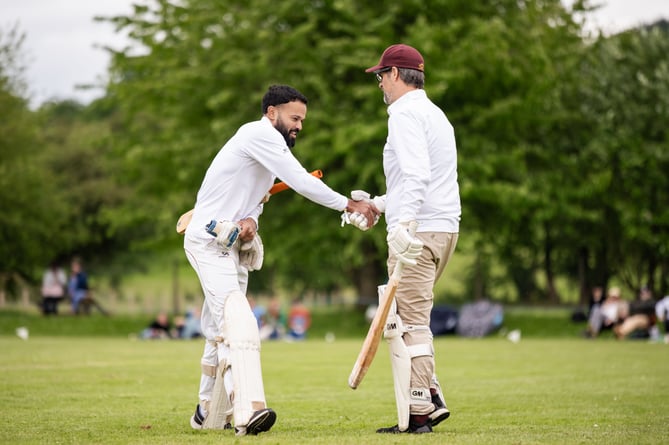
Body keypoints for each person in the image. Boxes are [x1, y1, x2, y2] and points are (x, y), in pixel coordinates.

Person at [183, 84, 379, 436]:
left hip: (229, 243)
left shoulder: (270, 149)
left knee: (217, 328)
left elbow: (257, 200)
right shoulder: (258, 134)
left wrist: (251, 221)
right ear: (271, 112)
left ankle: (206, 411)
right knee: (236, 319)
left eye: (302, 119)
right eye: (294, 117)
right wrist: (348, 205)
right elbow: (302, 181)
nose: (299, 125)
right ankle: (247, 410)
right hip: (206, 239)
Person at [351, 44, 461, 434]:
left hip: (420, 227)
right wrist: (380, 205)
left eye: (381, 75)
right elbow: (413, 179)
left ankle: (420, 410)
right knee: (410, 317)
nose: (379, 83)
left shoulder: (403, 114)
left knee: (411, 321)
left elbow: (416, 176)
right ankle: (429, 393)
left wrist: (404, 224)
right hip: (443, 227)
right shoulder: (435, 114)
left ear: (395, 74)